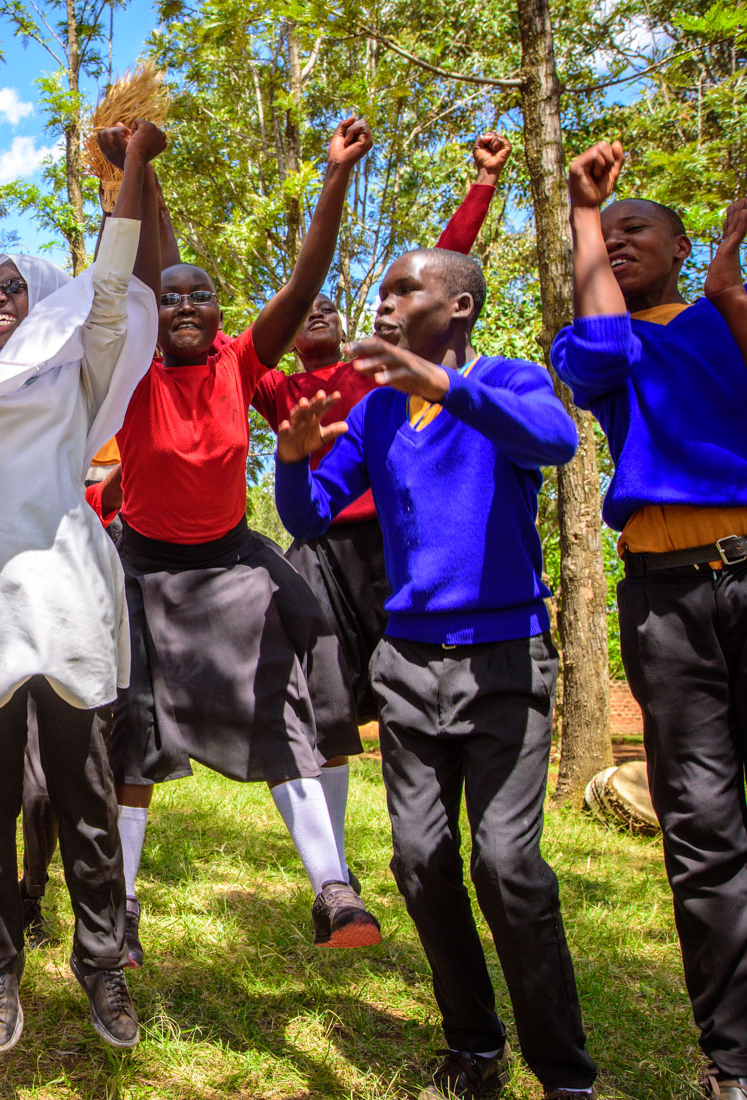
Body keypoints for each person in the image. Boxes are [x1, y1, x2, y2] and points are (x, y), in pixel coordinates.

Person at [275, 247, 595, 1100]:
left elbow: (557, 441)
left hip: (504, 663)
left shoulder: (510, 383)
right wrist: (294, 457)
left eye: (403, 289)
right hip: (408, 665)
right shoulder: (380, 414)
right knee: (420, 860)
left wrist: (434, 380)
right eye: (381, 291)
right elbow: (307, 515)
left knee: (505, 864)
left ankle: (564, 1074)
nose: (383, 303)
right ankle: (475, 1045)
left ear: (456, 306)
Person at [0, 84, 163, 1050]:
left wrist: (131, 173)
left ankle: (103, 969)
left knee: (85, 798)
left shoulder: (82, 369)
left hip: (63, 597)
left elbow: (110, 287)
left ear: (47, 298)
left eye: (20, 286)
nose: (3, 299)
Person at [111, 117, 380, 965]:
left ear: (224, 312)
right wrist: (139, 171)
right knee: (133, 736)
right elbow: (145, 273)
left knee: (289, 702)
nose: (186, 305)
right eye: (174, 296)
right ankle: (118, 906)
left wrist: (335, 175)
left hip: (230, 562)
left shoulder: (242, 361)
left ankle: (332, 887)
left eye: (204, 295)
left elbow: (307, 280)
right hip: (143, 571)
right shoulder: (134, 366)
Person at [553, 140, 747, 1100]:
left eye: (638, 227)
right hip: (666, 598)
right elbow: (598, 352)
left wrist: (731, 288)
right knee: (704, 829)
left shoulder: (721, 320)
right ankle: (734, 1064)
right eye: (607, 233)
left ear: (681, 241)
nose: (621, 238)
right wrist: (585, 210)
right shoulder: (596, 340)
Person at [252, 132, 512, 785]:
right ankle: (334, 853)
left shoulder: (377, 371)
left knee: (416, 674)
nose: (318, 312)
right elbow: (222, 364)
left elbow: (445, 266)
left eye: (329, 306)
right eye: (304, 310)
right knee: (327, 691)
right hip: (320, 545)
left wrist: (481, 183)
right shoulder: (279, 388)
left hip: (393, 542)